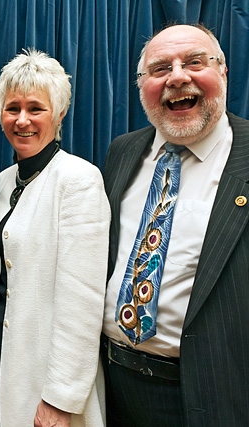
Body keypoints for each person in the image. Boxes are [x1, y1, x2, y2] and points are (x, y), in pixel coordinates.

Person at [101, 23, 249, 426]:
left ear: (223, 72)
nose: (178, 77)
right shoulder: (122, 151)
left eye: (195, 62)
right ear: (141, 85)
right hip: (112, 385)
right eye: (160, 68)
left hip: (210, 394)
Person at [0, 49, 109, 427]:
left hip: (46, 376)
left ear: (58, 114)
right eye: (12, 108)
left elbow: (83, 302)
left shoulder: (78, 180)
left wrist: (60, 398)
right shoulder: (2, 181)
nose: (22, 120)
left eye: (35, 108)